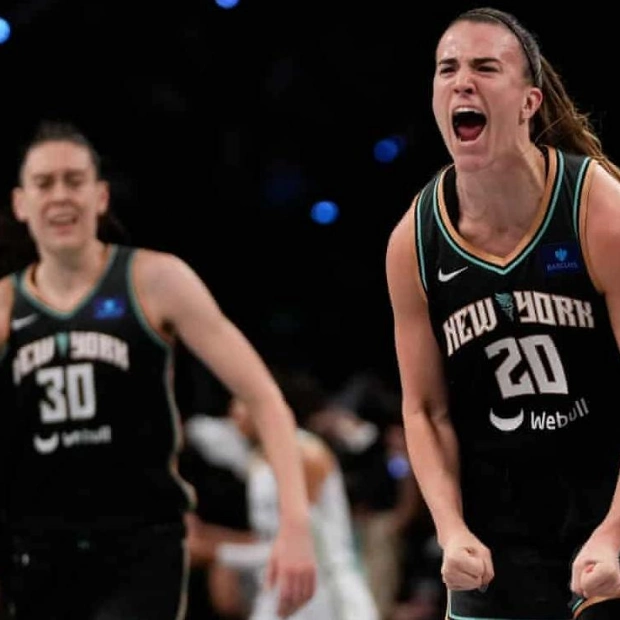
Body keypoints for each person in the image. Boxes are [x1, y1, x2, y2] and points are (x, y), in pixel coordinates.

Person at [0, 119, 317, 619]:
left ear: (100, 196)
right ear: (21, 203)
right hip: (36, 552)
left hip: (141, 546)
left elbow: (264, 398)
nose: (60, 195)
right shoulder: (5, 304)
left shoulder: (155, 280)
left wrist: (295, 527)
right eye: (44, 183)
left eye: (74, 180)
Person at [385, 7, 620, 620]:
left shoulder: (598, 210)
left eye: (486, 67)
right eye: (447, 69)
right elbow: (425, 409)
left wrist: (618, 531)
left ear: (528, 102)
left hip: (606, 506)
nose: (462, 81)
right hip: (497, 534)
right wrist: (450, 528)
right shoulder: (413, 243)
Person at [184, 371, 380, 620]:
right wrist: (205, 538)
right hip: (282, 585)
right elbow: (270, 540)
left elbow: (300, 545)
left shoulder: (305, 453)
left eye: (240, 401)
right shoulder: (257, 460)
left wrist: (216, 550)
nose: (234, 411)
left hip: (323, 589)